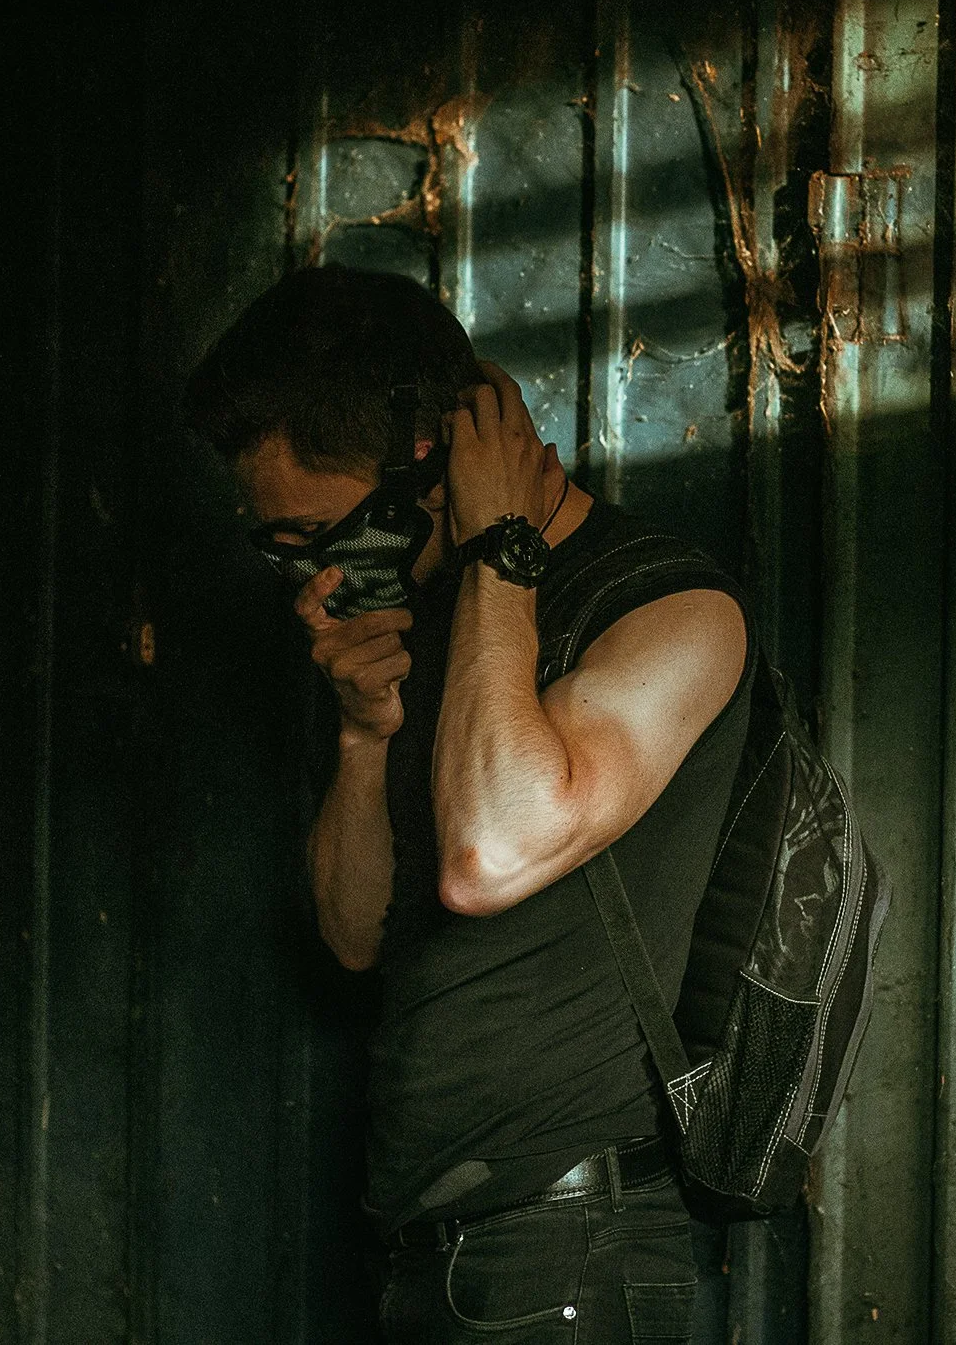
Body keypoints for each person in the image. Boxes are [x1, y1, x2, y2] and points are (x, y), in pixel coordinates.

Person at [184, 265, 752, 1344]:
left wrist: (503, 549)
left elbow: (488, 855)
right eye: (277, 548)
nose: (306, 578)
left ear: (425, 471)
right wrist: (363, 732)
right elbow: (354, 938)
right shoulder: (437, 625)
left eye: (313, 534)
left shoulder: (670, 605)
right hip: (426, 1239)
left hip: (570, 1248)